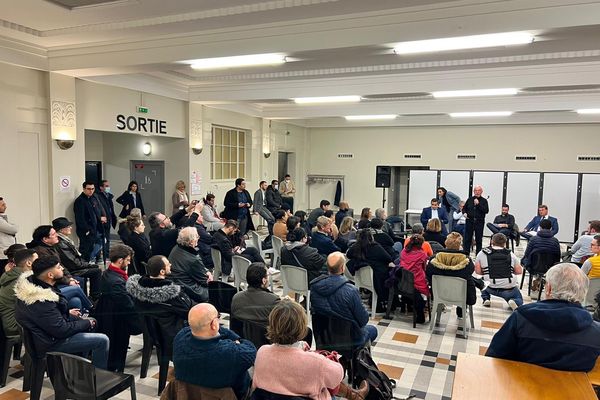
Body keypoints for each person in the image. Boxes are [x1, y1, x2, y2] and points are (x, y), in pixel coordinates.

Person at [486, 263, 600, 372]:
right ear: (584, 292)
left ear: (548, 288)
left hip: (522, 387)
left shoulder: (522, 317)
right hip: (574, 391)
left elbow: (494, 357)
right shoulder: (596, 332)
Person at [253, 298, 369, 400]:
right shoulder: (316, 362)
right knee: (325, 385)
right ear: (301, 327)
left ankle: (354, 395)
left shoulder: (262, 352)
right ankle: (355, 395)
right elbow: (337, 376)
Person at [14, 255, 109, 369]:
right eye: (59, 267)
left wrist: (68, 313)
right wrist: (86, 323)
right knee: (102, 340)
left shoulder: (33, 285)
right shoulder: (41, 300)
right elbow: (61, 330)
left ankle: (79, 366)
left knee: (83, 314)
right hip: (49, 343)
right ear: (50, 275)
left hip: (43, 334)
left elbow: (47, 317)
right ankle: (97, 378)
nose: (62, 269)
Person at [173, 303, 257, 399]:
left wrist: (215, 328)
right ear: (213, 324)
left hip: (188, 394)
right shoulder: (231, 353)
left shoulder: (180, 337)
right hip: (233, 395)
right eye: (218, 317)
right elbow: (251, 350)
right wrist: (237, 340)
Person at [126, 255, 194, 351]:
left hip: (152, 333)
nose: (170, 264)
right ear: (162, 272)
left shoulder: (137, 290)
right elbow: (188, 312)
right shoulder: (173, 294)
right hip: (173, 334)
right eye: (167, 264)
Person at [95, 244, 142, 372]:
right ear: (120, 260)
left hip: (112, 314)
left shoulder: (109, 273)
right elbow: (129, 306)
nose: (129, 262)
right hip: (117, 320)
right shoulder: (116, 281)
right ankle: (116, 372)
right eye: (127, 260)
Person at [426, 232, 476, 318]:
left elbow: (429, 274)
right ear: (460, 245)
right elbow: (469, 273)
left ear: (446, 243)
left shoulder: (434, 260)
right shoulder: (466, 261)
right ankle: (461, 311)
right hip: (461, 296)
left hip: (439, 293)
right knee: (467, 280)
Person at [52, 217, 102, 300]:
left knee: (95, 268)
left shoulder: (64, 240)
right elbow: (72, 262)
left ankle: (93, 296)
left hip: (73, 266)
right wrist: (88, 265)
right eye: (68, 226)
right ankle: (95, 297)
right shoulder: (61, 243)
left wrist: (87, 264)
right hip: (72, 269)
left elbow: (76, 258)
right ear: (61, 230)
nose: (70, 228)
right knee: (96, 271)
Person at [346, 229, 393, 312]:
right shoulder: (375, 247)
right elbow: (388, 258)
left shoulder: (356, 246)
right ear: (371, 237)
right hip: (375, 278)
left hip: (360, 278)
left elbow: (348, 255)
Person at [475, 233, 523, 310]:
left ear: (491, 241)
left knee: (481, 279)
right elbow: (519, 271)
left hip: (489, 287)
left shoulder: (482, 253)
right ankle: (513, 301)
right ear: (505, 243)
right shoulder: (511, 254)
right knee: (518, 297)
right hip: (508, 289)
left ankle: (486, 298)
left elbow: (478, 271)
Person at [168, 227, 212, 303]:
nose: (199, 238)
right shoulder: (193, 260)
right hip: (191, 290)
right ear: (191, 242)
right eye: (197, 236)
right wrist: (209, 275)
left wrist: (206, 271)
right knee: (215, 291)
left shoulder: (176, 248)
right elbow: (204, 280)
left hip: (177, 284)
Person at [0, 249, 37, 337]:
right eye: (37, 259)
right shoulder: (21, 280)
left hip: (18, 319)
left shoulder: (12, 274)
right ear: (29, 263)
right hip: (16, 325)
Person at [231, 262, 280, 327]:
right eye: (268, 275)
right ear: (264, 280)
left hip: (240, 335)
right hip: (265, 336)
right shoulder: (274, 301)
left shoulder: (236, 298)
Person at [74, 181, 107, 262]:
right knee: (85, 250)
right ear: (84, 189)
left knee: (101, 241)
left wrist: (101, 218)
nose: (91, 191)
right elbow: (80, 218)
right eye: (89, 189)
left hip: (95, 228)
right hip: (86, 230)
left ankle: (90, 259)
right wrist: (87, 230)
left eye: (93, 189)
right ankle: (84, 264)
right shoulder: (80, 201)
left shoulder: (93, 198)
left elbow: (97, 211)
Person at [400, 235, 430, 323]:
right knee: (424, 288)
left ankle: (408, 303)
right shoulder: (422, 254)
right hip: (417, 280)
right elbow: (424, 267)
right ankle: (421, 310)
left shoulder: (403, 252)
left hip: (404, 280)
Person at [462, 185, 489, 254]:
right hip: (469, 221)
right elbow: (464, 208)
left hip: (479, 222)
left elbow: (486, 211)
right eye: (475, 191)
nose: (477, 192)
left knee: (479, 239)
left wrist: (478, 204)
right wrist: (464, 213)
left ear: (481, 191)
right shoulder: (470, 199)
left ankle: (478, 254)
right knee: (467, 239)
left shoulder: (484, 201)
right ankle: (466, 254)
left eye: (479, 190)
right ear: (474, 191)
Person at [96, 180, 117, 264]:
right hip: (102, 221)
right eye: (106, 186)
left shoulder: (108, 196)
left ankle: (107, 254)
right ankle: (99, 256)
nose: (108, 188)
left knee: (107, 239)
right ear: (101, 187)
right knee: (101, 239)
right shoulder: (98, 196)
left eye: (108, 186)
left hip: (109, 219)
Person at [0, 196, 18, 271]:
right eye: (2, 205)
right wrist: (13, 226)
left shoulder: (2, 218)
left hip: (6, 253)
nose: (6, 206)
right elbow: (14, 229)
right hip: (3, 255)